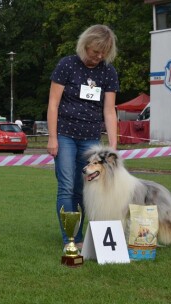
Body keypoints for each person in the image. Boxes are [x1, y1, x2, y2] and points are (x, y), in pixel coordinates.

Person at [46, 24, 119, 252]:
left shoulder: (108, 72)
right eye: (93, 51)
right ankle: (71, 238)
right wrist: (52, 138)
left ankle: (79, 236)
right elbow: (53, 104)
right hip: (65, 135)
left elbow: (109, 110)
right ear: (84, 45)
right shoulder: (66, 65)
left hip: (91, 140)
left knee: (83, 189)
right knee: (66, 187)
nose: (97, 57)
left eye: (102, 54)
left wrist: (112, 146)